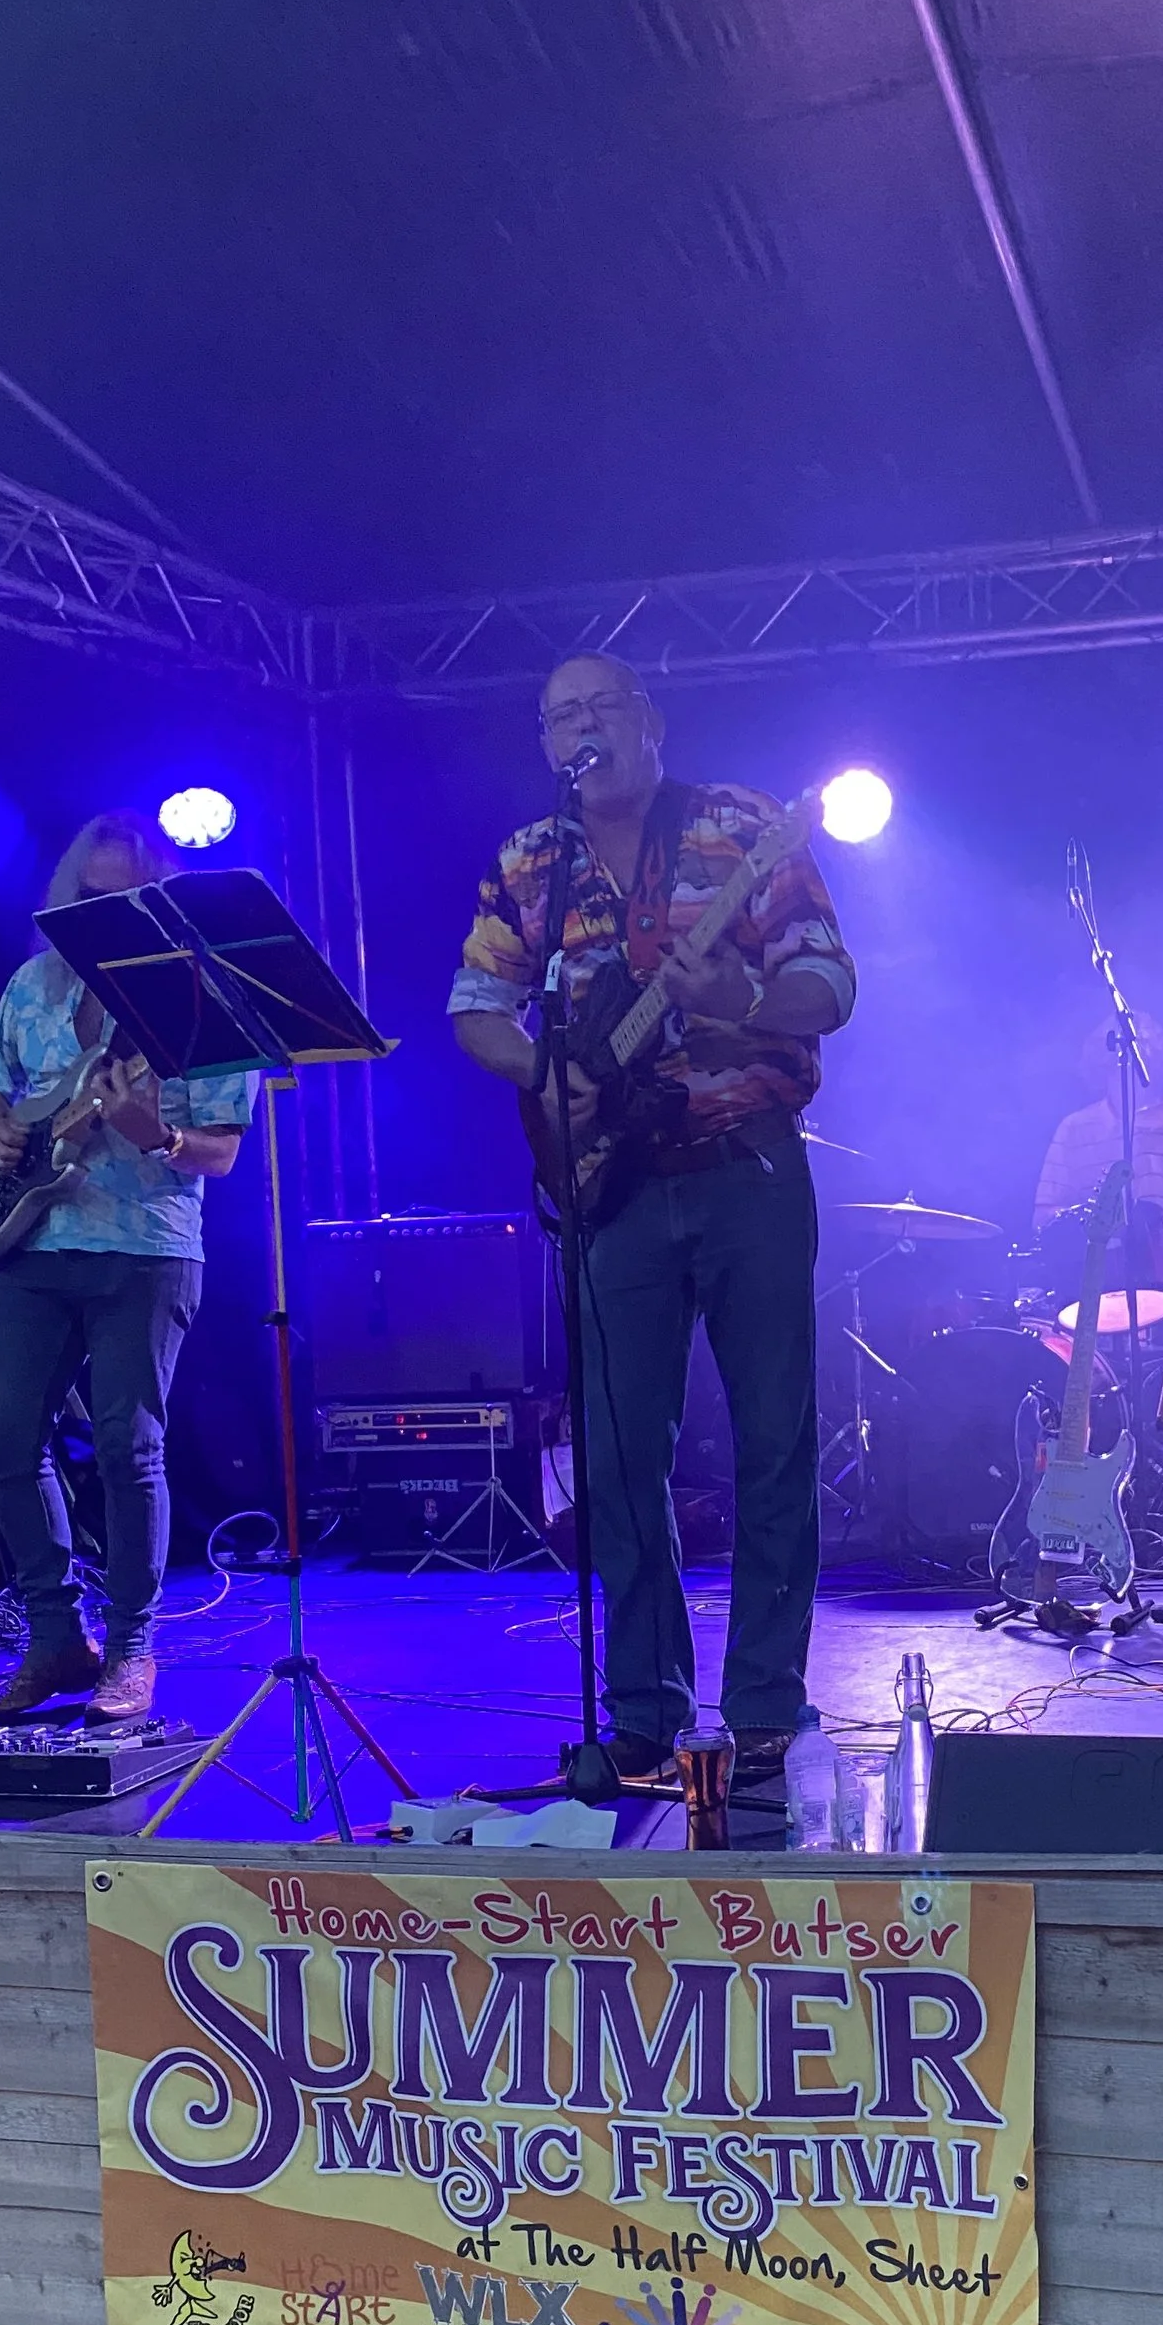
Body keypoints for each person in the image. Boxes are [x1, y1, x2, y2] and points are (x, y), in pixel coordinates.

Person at [449, 655, 855, 1790]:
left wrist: (746, 1001)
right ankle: (644, 1710)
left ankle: (766, 1703)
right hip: (609, 1187)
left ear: (650, 723)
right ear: (545, 744)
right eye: (562, 715)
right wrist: (546, 1076)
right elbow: (476, 1007)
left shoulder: (739, 827)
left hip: (745, 1168)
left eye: (603, 709)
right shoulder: (533, 859)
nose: (586, 729)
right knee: (622, 1459)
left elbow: (830, 981)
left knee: (774, 1438)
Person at [0, 815, 254, 1722]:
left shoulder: (196, 999)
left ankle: (131, 1649)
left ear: (156, 897)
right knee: (4, 1437)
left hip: (146, 1246)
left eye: (123, 894)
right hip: (39, 1243)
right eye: (89, 894)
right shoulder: (34, 980)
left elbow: (222, 1152)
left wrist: (157, 1133)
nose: (102, 909)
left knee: (129, 1449)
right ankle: (55, 1637)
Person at [1031, 1021, 1163, 1249]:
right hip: (1102, 1272)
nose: (1131, 1081)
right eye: (1120, 1072)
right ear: (1102, 1072)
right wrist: (1092, 1230)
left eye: (1143, 1072)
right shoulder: (1074, 1129)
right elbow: (1044, 1216)